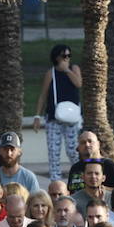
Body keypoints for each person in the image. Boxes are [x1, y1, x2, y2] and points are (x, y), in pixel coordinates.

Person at [34, 44, 83, 178]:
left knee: (73, 151)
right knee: (54, 152)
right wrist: (37, 115)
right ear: (56, 57)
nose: (67, 58)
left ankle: (79, 177)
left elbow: (78, 83)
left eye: (68, 56)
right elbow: (43, 95)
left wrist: (67, 71)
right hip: (54, 117)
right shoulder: (51, 73)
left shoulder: (74, 68)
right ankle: (56, 181)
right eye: (64, 56)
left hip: (72, 117)